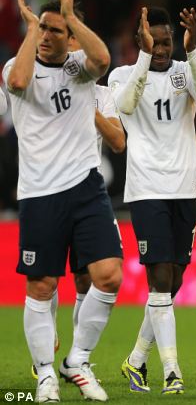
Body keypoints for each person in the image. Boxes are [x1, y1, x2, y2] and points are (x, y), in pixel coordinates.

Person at [4, 0, 123, 402]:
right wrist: (32, 29)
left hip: (86, 186)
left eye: (57, 30)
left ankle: (78, 360)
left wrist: (71, 16)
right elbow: (18, 82)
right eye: (44, 29)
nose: (47, 36)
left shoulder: (80, 67)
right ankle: (44, 375)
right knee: (42, 286)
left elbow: (104, 58)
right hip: (39, 192)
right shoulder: (17, 65)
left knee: (108, 276)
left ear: (71, 37)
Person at [108, 5, 196, 395]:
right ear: (140, 41)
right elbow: (123, 107)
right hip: (147, 189)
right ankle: (172, 370)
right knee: (159, 278)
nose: (161, 49)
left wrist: (193, 51)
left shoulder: (185, 71)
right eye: (154, 42)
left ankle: (136, 360)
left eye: (167, 42)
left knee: (175, 279)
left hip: (185, 189)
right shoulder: (122, 74)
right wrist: (142, 55)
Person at [29, 24, 126, 383]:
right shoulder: (46, 82)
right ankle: (46, 339)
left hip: (88, 191)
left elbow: (118, 142)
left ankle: (77, 358)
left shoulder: (101, 93)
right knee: (47, 278)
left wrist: (91, 109)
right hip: (49, 190)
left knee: (93, 276)